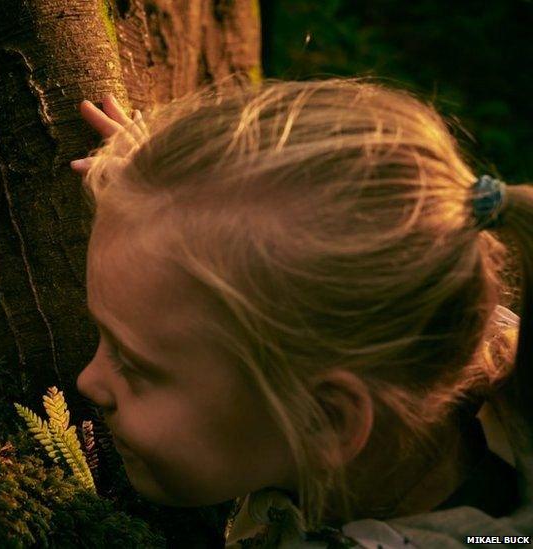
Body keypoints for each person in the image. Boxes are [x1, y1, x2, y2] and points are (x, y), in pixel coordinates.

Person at [71, 81, 533, 547]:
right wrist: (170, 200)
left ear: (325, 420)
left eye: (133, 364)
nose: (87, 381)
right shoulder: (418, 317)